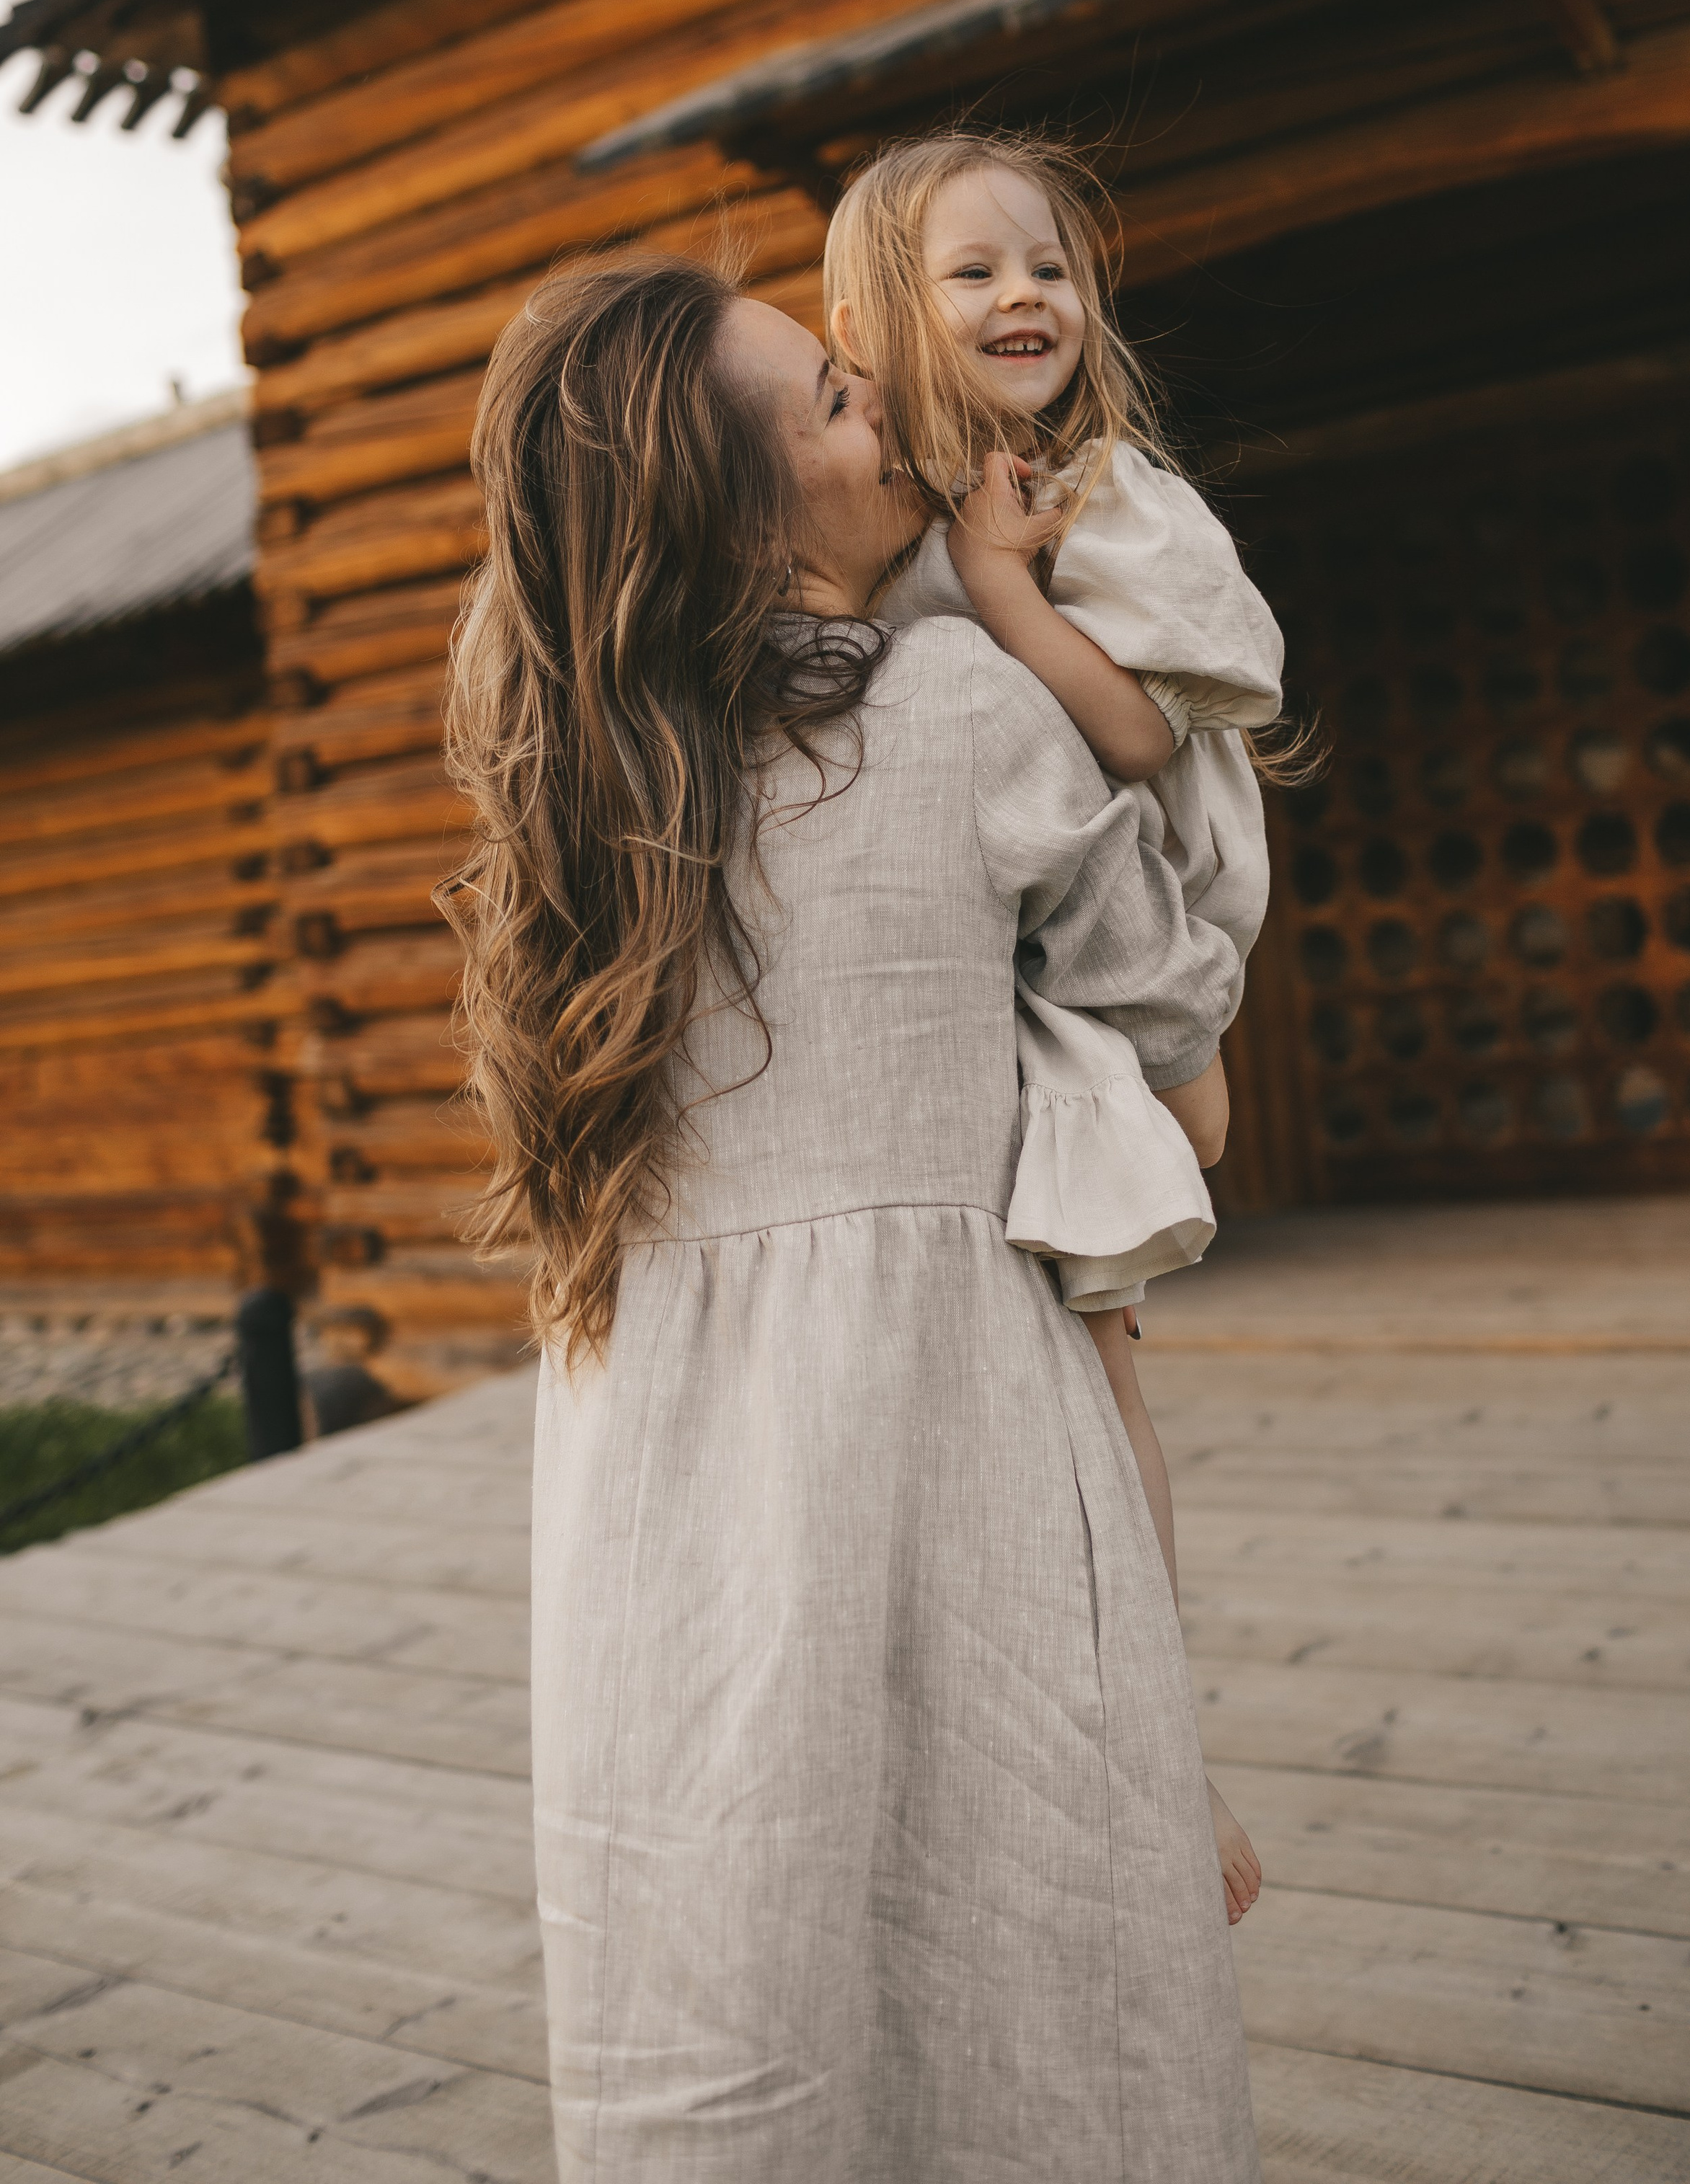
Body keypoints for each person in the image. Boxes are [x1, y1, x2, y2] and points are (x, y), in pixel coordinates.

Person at [442, 252, 1264, 2182]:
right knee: (1035, 1942)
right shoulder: (969, 706)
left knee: (734, 1946)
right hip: (954, 1406)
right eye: (831, 402)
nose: (882, 405)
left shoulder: (583, 815)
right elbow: (1180, 1024)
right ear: (731, 516)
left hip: (669, 1487)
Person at [824, 130, 1288, 1314]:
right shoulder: (883, 516)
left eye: (1050, 269)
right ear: (865, 328)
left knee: (1122, 1260)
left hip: (1146, 917)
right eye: (974, 273)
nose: (1026, 293)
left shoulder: (1102, 495)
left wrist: (1000, 585)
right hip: (1010, 941)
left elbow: (1138, 741)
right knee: (1069, 1294)